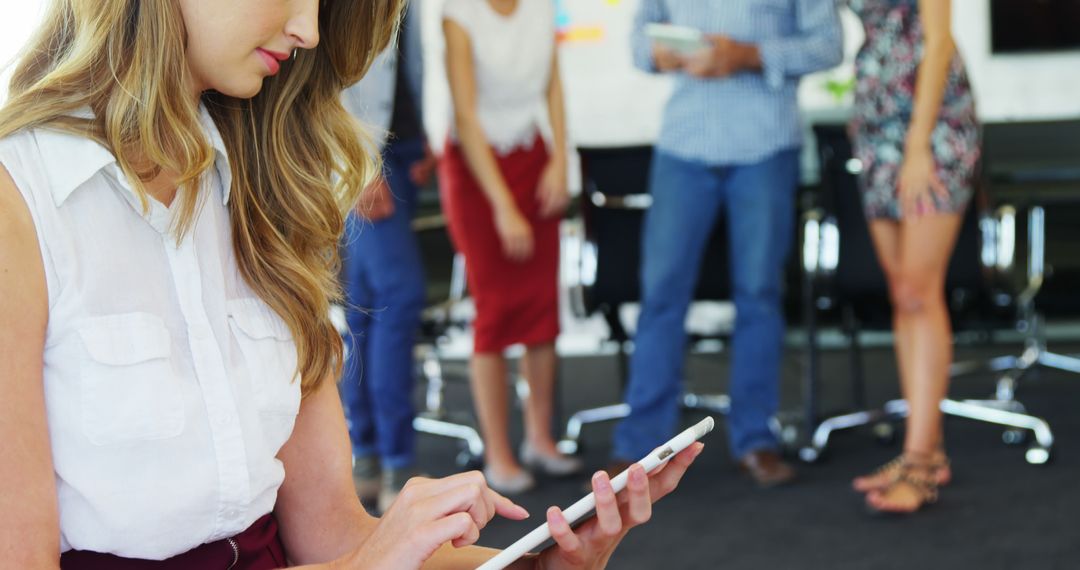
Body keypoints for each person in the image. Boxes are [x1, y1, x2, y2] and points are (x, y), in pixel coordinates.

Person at [0, 0, 702, 567]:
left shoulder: (259, 194)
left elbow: (338, 538)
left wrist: (537, 564)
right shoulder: (19, 205)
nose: (307, 28)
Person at [608, 0, 843, 488]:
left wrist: (749, 55)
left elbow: (828, 45)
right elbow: (637, 43)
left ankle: (755, 439)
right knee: (661, 296)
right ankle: (638, 448)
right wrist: (663, 54)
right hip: (683, 147)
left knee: (758, 296)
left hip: (766, 146)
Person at [440, 0, 582, 494]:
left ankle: (540, 439)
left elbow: (554, 83)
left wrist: (562, 157)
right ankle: (498, 453)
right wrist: (502, 205)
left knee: (543, 308)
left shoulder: (542, 8)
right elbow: (464, 112)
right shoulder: (458, 13)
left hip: (533, 159)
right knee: (496, 312)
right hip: (478, 173)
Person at [848, 0, 980, 514]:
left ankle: (921, 461)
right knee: (902, 294)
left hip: (932, 122)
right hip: (875, 118)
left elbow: (939, 37)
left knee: (919, 291)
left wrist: (919, 143)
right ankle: (923, 451)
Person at [338, 1, 436, 514]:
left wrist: (427, 136)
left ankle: (369, 455)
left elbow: (414, 57)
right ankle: (396, 458)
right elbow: (325, 75)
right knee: (398, 296)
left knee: (367, 306)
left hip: (405, 149)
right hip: (364, 154)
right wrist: (355, 165)